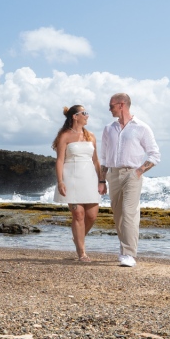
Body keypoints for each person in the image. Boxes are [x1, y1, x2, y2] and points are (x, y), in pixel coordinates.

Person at [99, 93, 160, 267]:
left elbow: (155, 155)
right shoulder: (108, 128)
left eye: (111, 105)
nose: (109, 109)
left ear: (121, 105)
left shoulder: (141, 127)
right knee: (118, 214)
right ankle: (124, 249)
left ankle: (128, 253)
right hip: (112, 174)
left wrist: (139, 171)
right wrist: (102, 180)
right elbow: (104, 157)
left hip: (132, 174)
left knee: (128, 212)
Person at [53, 105, 105, 262]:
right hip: (71, 177)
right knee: (78, 214)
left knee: (92, 215)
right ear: (75, 116)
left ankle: (77, 238)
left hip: (89, 178)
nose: (87, 116)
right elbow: (60, 160)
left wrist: (102, 180)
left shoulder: (91, 136)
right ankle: (82, 252)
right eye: (84, 113)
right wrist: (60, 181)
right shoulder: (65, 136)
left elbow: (96, 160)